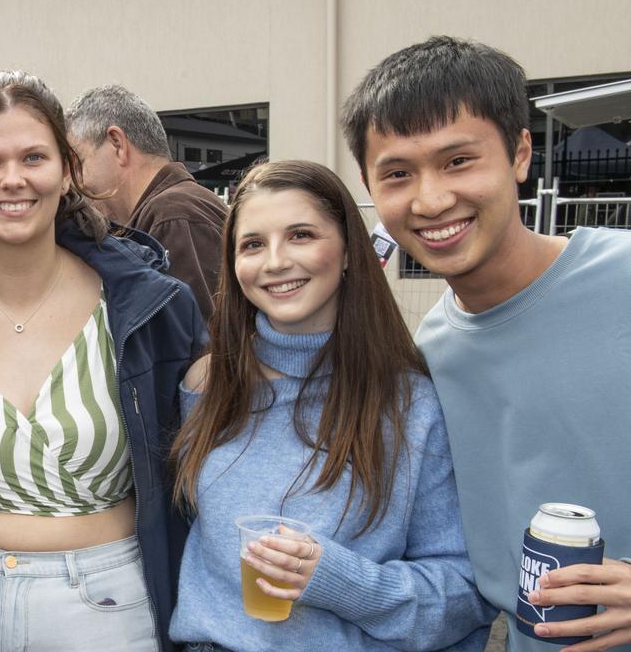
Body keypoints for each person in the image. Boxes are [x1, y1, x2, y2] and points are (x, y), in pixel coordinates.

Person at [0, 71, 204, 652]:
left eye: (33, 156)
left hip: (109, 609)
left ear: (67, 170)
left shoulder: (153, 307)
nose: (13, 179)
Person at [343, 35, 631, 651]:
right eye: (397, 173)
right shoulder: (432, 351)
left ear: (520, 154)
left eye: (458, 161)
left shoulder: (623, 277)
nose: (431, 199)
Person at [170, 160, 496, 651]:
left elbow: (466, 595)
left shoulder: (411, 407)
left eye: (300, 235)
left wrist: (343, 581)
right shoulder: (207, 385)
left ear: (347, 252)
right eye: (253, 244)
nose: (275, 261)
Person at [66, 84, 228, 319]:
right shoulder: (176, 210)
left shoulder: (173, 217)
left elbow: (197, 345)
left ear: (117, 144)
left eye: (77, 163)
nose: (71, 182)